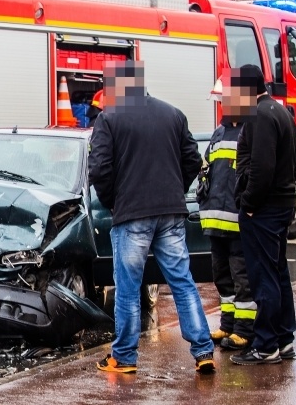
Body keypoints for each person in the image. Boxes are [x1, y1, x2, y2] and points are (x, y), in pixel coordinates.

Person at [88, 60, 215, 374]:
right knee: (183, 282)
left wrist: (113, 202)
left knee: (128, 288)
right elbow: (192, 160)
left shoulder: (109, 119)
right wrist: (175, 190)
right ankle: (203, 351)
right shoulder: (173, 114)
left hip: (131, 215)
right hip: (171, 212)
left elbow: (100, 170)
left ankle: (125, 358)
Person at [228, 64, 296, 365]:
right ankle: (284, 339)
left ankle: (266, 344)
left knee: (263, 276)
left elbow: (262, 167)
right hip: (281, 205)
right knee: (278, 271)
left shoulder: (259, 116)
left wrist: (249, 202)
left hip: (264, 209)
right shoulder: (281, 112)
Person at [197, 78, 255, 351]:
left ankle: (245, 330)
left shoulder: (250, 131)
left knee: (241, 278)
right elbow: (206, 169)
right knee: (222, 277)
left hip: (238, 222)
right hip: (215, 221)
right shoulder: (219, 133)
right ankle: (228, 325)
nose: (223, 105)